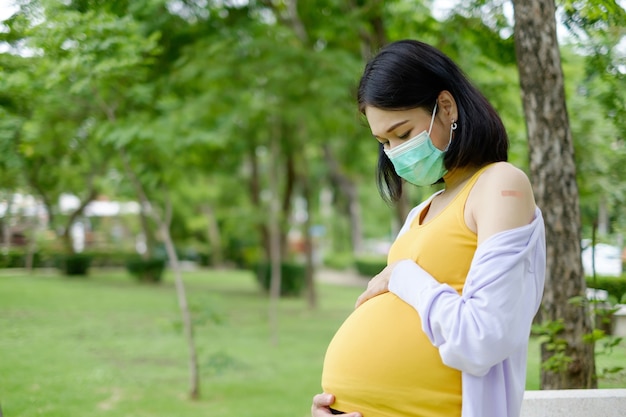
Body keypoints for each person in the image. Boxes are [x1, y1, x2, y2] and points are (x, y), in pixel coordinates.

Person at [311, 39, 546, 417]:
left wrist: (403, 275)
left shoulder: (502, 185)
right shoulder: (421, 212)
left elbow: (481, 338)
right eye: (384, 141)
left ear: (447, 107)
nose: (394, 152)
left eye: (403, 134)